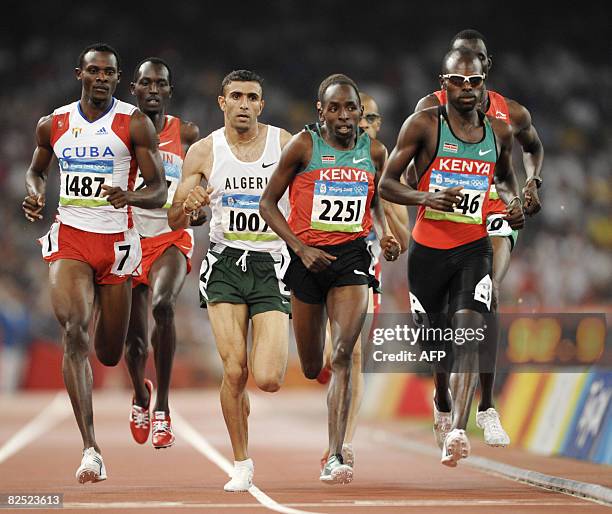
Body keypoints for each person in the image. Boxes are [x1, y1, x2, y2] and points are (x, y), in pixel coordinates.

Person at [22, 43, 167, 483]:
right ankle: (91, 448)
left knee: (108, 352)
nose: (101, 78)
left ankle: (140, 388)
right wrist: (34, 193)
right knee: (74, 331)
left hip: (117, 244)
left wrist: (132, 196)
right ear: (79, 74)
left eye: (109, 73)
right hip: (71, 238)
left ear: (117, 79)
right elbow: (37, 170)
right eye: (94, 71)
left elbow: (159, 189)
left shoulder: (134, 123)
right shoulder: (55, 123)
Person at [379, 48, 525, 466]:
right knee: (435, 344)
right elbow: (387, 184)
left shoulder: (499, 132)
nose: (466, 89)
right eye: (457, 82)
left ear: (484, 84)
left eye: (474, 82)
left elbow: (506, 182)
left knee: (469, 329)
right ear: (444, 84)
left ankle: (459, 429)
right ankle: (441, 397)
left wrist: (514, 204)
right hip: (428, 249)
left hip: (473, 246)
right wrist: (427, 196)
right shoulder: (424, 125)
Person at [260, 74, 400, 484]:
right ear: (320, 110)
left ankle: (336, 454)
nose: (343, 116)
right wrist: (300, 249)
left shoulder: (374, 150)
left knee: (343, 355)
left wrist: (385, 231)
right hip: (307, 261)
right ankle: (322, 380)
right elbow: (267, 204)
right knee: (310, 366)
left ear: (360, 112)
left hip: (352, 259)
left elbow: (375, 202)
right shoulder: (303, 146)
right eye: (334, 108)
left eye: (350, 108)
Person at [413, 29, 544, 448]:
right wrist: (424, 192)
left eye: (477, 66)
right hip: (442, 214)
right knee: (438, 320)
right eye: (460, 70)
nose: (468, 78)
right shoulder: (430, 109)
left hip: (491, 212)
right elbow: (413, 166)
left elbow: (533, 147)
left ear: (486, 67)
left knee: (488, 293)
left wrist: (531, 185)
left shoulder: (510, 113)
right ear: (448, 76)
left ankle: (486, 407)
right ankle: (441, 393)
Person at [168, 70, 292, 492]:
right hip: (224, 264)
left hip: (272, 264)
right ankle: (241, 461)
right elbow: (174, 217)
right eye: (235, 96)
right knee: (235, 370)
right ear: (222, 103)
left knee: (270, 378)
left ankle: (243, 411)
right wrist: (190, 201)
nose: (243, 103)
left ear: (262, 104)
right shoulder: (204, 151)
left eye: (251, 97)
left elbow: (313, 191)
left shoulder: (286, 144)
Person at [317, 92, 410, 472]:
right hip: (317, 264)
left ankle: (342, 443)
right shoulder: (320, 151)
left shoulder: (382, 164)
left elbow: (403, 238)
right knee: (325, 359)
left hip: (362, 269)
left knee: (350, 356)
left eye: (371, 119)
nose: (364, 124)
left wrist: (382, 203)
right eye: (360, 116)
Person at [125, 57, 201, 449]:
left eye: (161, 84)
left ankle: (163, 410)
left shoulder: (185, 134)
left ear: (169, 90)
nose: (153, 89)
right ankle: (141, 394)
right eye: (146, 83)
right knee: (133, 342)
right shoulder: (119, 130)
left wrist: (200, 207)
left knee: (164, 307)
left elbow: (202, 185)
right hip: (126, 238)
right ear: (134, 89)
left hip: (170, 236)